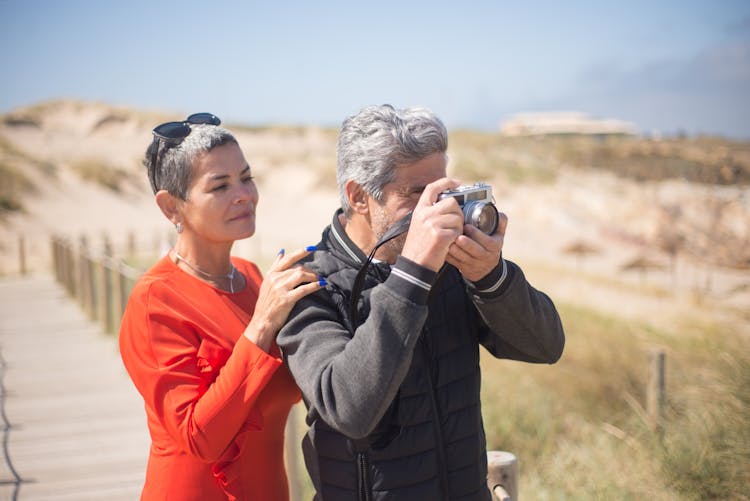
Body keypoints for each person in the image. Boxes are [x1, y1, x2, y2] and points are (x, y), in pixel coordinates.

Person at [276, 104, 566, 500]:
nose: (437, 210)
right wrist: (412, 274)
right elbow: (348, 409)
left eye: (444, 192)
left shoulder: (450, 262)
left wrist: (491, 276)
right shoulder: (309, 282)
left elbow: (546, 346)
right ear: (359, 196)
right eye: (416, 193)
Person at [119, 113, 324, 500]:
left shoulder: (251, 277)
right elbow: (199, 437)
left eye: (246, 178)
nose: (244, 194)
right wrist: (262, 325)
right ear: (171, 207)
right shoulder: (155, 301)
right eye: (220, 186)